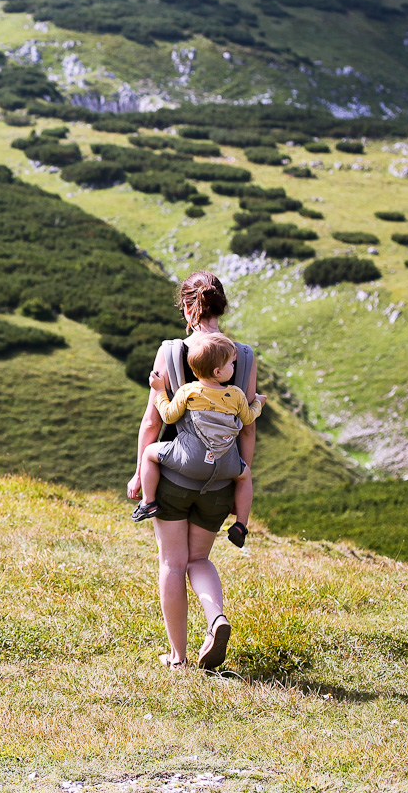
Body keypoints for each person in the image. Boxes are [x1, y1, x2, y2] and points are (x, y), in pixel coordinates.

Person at [127, 270, 259, 672]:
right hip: (222, 480)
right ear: (221, 307)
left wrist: (139, 472)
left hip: (176, 478)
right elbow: (248, 426)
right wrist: (242, 472)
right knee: (199, 560)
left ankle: (179, 657)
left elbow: (153, 422)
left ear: (188, 307)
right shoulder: (244, 356)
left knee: (172, 563)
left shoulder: (170, 352)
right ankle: (215, 618)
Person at [131, 330, 265, 549]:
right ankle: (241, 523)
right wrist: (258, 402)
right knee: (245, 475)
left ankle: (148, 501)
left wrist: (160, 391)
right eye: (232, 364)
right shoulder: (237, 395)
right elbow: (248, 420)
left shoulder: (188, 391)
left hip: (188, 461)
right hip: (225, 463)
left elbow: (167, 416)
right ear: (218, 371)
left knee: (149, 454)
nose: (234, 368)